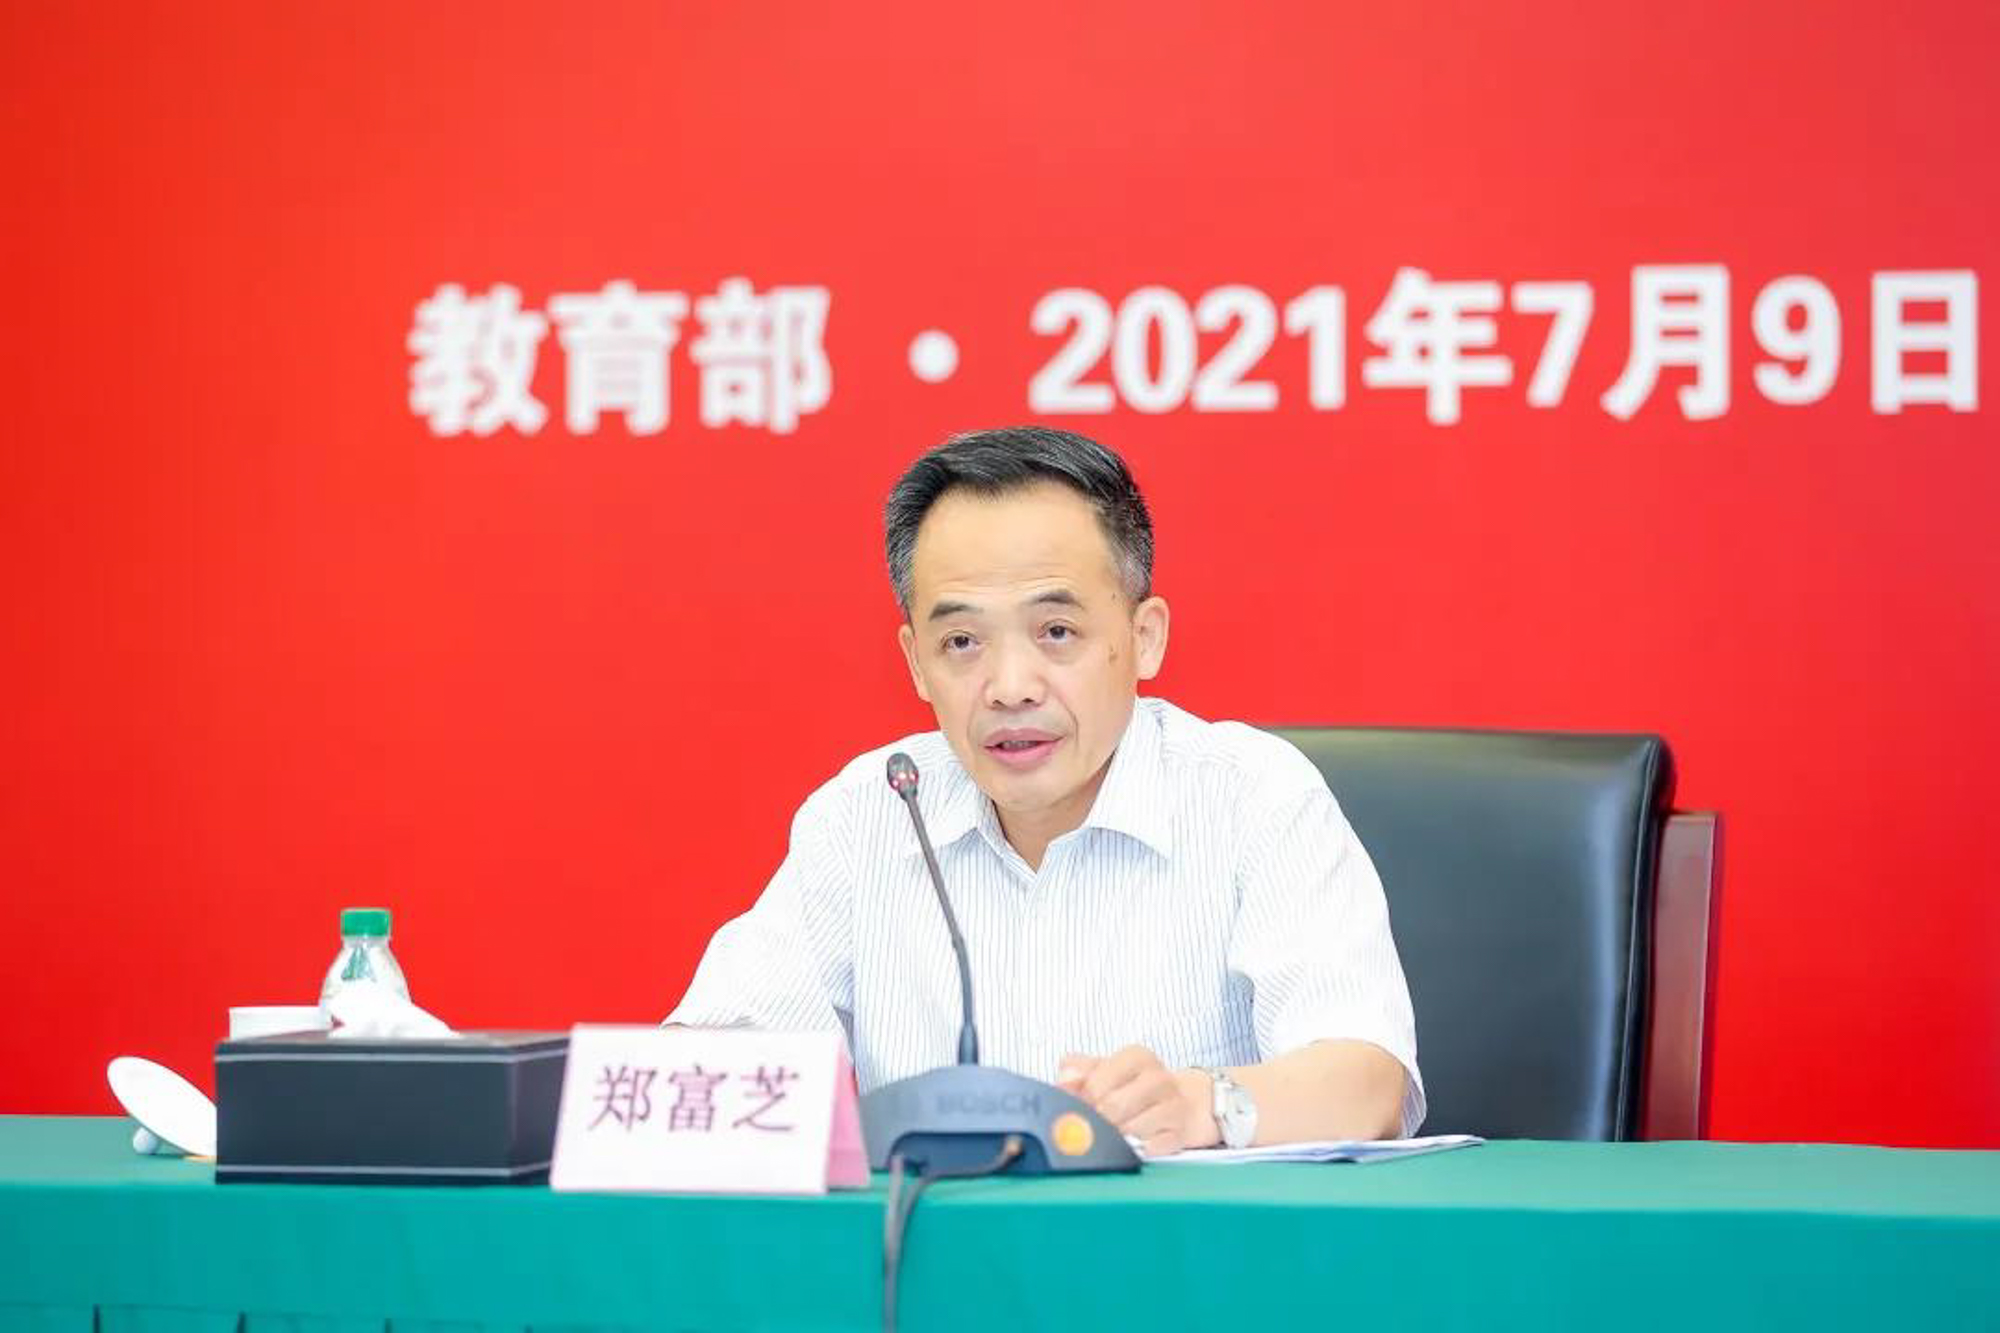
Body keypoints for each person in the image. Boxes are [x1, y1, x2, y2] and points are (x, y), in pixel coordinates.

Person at [667, 426, 1423, 1151]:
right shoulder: (871, 813)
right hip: (936, 1244)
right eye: (962, 642)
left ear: (1144, 637)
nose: (1009, 687)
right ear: (917, 663)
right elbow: (708, 1069)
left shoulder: (1253, 797)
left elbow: (1365, 1085)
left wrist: (1200, 1103)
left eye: (1056, 632)